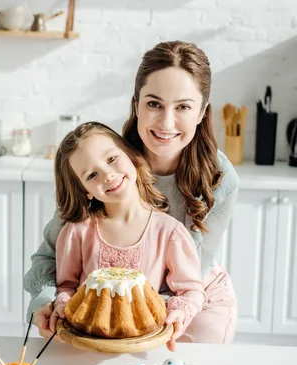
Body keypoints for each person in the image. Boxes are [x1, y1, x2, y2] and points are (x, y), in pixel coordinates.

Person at [24, 40, 239, 345]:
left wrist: (138, 318)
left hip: (193, 301)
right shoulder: (106, 160)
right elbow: (49, 257)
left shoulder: (221, 177)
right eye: (154, 103)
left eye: (183, 107)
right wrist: (47, 302)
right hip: (114, 306)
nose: (166, 122)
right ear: (136, 104)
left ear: (202, 111)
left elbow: (193, 271)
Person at [50, 121, 204, 349]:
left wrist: (180, 312)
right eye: (92, 175)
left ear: (131, 156)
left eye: (112, 159)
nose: (108, 175)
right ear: (85, 190)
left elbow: (191, 289)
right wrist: (62, 304)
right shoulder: (77, 233)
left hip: (144, 349)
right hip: (86, 347)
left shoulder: (169, 232)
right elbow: (66, 286)